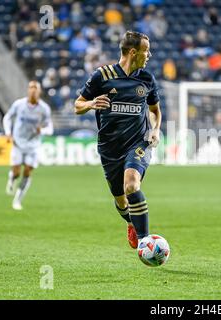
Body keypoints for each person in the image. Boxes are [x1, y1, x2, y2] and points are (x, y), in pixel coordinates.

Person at [74, 31, 161, 250]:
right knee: (121, 200)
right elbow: (77, 105)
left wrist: (156, 129)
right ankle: (132, 223)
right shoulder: (101, 76)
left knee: (131, 184)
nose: (148, 54)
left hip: (138, 143)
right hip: (110, 148)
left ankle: (145, 241)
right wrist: (91, 103)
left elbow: (154, 111)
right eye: (145, 50)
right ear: (133, 52)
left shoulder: (146, 78)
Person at [3, 81, 53, 210]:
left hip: (33, 145)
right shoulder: (19, 104)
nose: (33, 90)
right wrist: (8, 133)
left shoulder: (44, 108)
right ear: (28, 90)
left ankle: (17, 200)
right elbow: (7, 118)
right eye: (31, 88)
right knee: (16, 171)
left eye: (35, 88)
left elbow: (50, 128)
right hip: (18, 143)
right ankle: (12, 178)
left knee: (27, 171)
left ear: (39, 92)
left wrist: (41, 130)